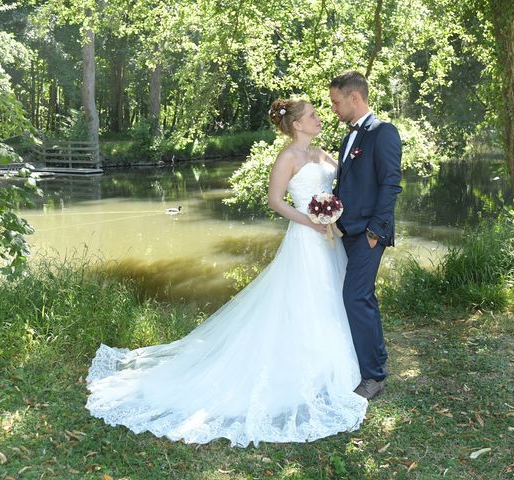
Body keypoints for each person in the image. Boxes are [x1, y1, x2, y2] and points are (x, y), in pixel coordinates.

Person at [85, 98, 367, 448]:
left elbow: (340, 187)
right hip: (306, 239)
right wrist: (310, 220)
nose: (319, 118)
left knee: (334, 295)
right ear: (297, 125)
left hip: (329, 239)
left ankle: (334, 365)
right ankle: (304, 367)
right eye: (312, 115)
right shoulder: (287, 158)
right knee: (304, 299)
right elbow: (275, 200)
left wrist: (333, 214)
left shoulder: (324, 154)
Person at [329, 71, 403, 400]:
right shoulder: (348, 138)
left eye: (336, 101)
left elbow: (391, 184)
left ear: (354, 98)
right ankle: (369, 363)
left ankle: (374, 376)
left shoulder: (382, 133)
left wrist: (376, 230)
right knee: (361, 297)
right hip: (347, 231)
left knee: (355, 297)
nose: (333, 108)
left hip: (370, 233)